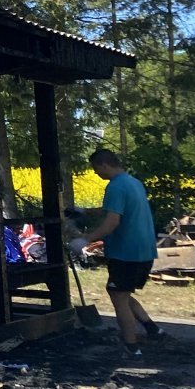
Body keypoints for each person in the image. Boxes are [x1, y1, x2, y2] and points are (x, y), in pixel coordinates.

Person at [69, 148, 164, 358]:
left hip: (126, 252)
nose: (95, 173)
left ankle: (131, 347)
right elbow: (113, 210)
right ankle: (152, 329)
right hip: (144, 249)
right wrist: (83, 211)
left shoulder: (115, 187)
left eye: (95, 169)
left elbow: (112, 222)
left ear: (104, 165)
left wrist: (85, 239)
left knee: (119, 299)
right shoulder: (133, 182)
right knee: (121, 291)